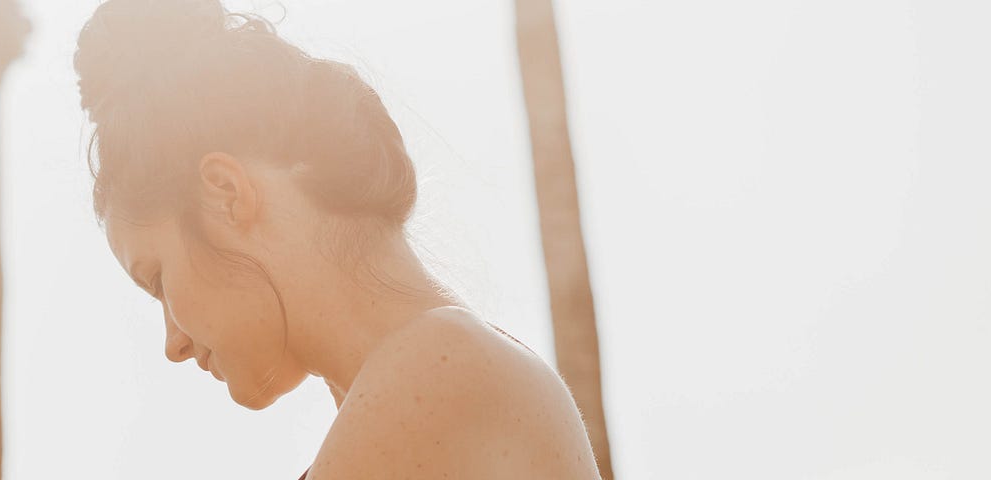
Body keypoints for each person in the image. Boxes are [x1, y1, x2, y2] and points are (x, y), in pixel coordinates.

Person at [74, 0, 601, 478]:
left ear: (227, 193)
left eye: (159, 280)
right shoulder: (446, 372)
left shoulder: (439, 367)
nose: (173, 344)